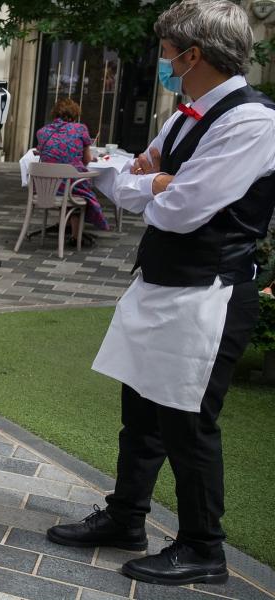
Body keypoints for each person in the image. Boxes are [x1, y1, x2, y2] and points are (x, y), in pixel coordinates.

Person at [47, 0, 275, 587]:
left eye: (169, 54)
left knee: (190, 425)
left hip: (210, 294)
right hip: (161, 285)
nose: (165, 64)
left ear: (193, 55)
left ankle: (204, 547)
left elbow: (179, 211)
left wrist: (152, 183)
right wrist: (156, 180)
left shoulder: (251, 122)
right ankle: (127, 517)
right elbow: (125, 180)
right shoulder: (187, 117)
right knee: (141, 416)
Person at [35, 98, 110, 239]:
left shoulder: (42, 132)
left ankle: (66, 226)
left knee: (67, 182)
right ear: (75, 114)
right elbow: (86, 159)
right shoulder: (80, 129)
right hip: (70, 187)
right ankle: (76, 236)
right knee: (76, 186)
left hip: (45, 188)